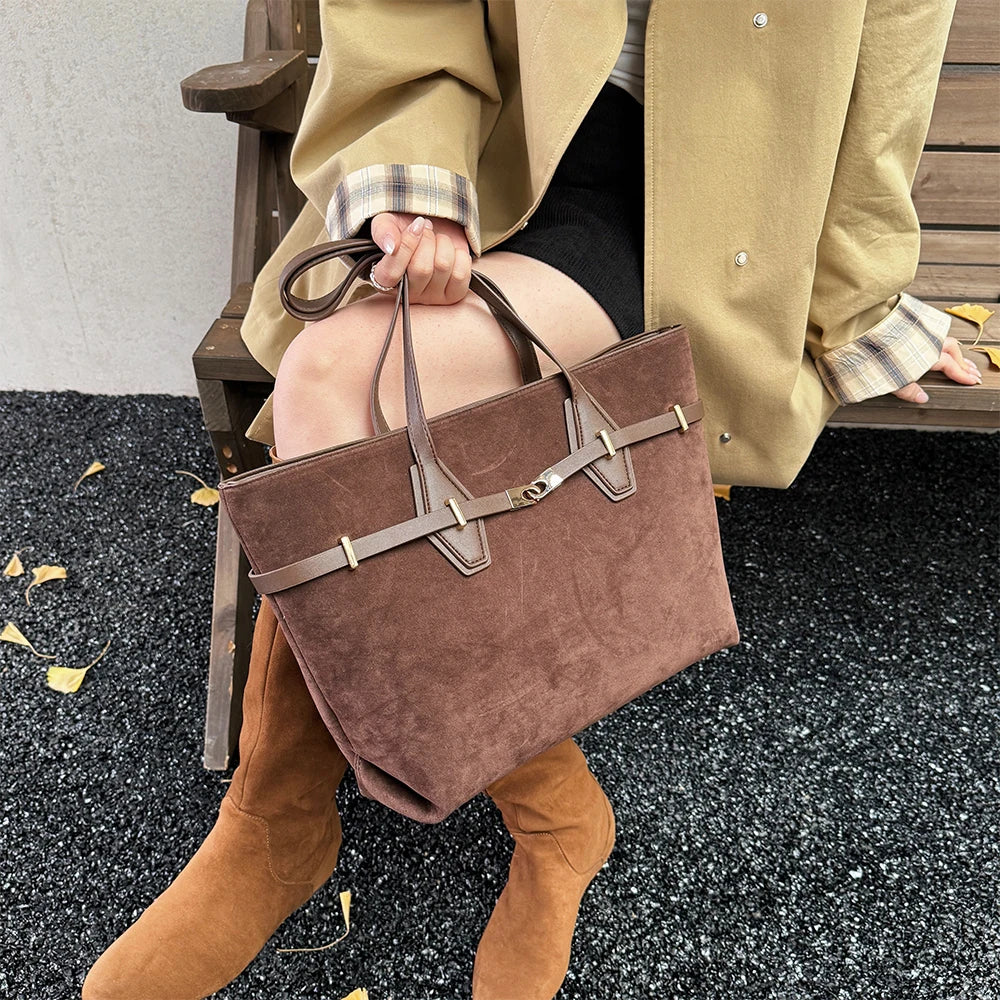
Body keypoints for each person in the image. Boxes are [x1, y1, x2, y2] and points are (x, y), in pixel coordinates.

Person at [83, 2, 978, 998]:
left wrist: (859, 299)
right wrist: (415, 177)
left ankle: (306, 822)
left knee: (336, 398)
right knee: (334, 394)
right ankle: (375, 814)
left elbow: (887, 64)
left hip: (718, 211)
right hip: (506, 153)